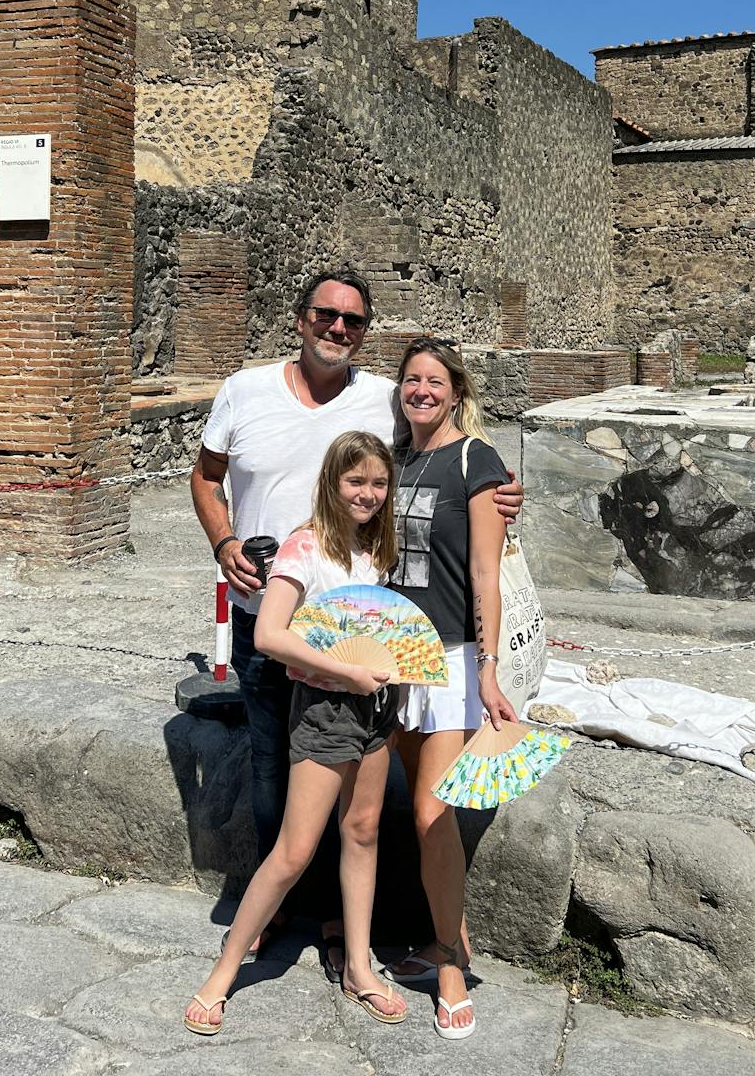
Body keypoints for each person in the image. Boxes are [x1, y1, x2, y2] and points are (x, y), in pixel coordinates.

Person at [191, 268, 523, 975]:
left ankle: (368, 935)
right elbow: (204, 475)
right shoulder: (247, 389)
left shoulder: (386, 404)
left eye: (354, 321)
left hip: (377, 649)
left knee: (372, 809)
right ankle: (280, 910)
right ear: (300, 317)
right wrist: (224, 546)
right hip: (270, 621)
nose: (338, 328)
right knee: (273, 776)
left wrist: (500, 490)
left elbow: (459, 491)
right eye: (326, 315)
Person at [185, 431, 409, 1035]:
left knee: (362, 832)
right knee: (294, 850)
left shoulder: (377, 547)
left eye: (379, 483)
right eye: (355, 481)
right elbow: (269, 636)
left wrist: (393, 675)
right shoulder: (304, 547)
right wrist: (347, 671)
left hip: (375, 708)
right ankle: (224, 971)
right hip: (326, 707)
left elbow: (380, 623)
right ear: (333, 483)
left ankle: (360, 967)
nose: (367, 494)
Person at [385, 338, 519, 1040]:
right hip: (390, 657)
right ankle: (450, 941)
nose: (423, 391)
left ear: (457, 391)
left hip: (448, 660)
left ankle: (449, 972)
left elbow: (487, 575)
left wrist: (488, 667)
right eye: (412, 380)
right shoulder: (393, 456)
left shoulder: (477, 461)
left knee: (431, 814)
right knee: (411, 804)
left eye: (435, 381)